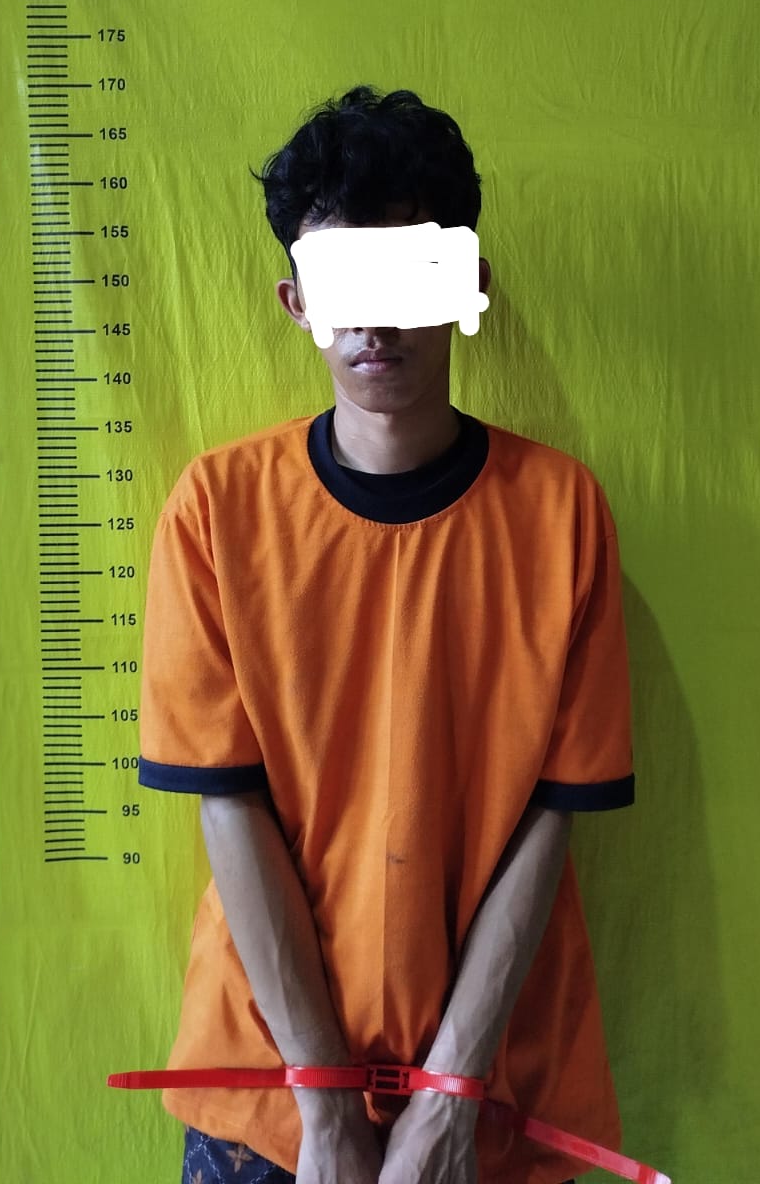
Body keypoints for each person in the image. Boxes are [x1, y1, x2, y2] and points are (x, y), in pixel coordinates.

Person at [138, 86, 635, 1184]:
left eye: (407, 277)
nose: (374, 324)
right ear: (296, 303)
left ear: (467, 286)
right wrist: (324, 1105)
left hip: (495, 1101)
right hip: (266, 1100)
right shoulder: (216, 511)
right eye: (342, 285)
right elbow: (229, 803)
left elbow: (554, 815)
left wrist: (451, 1095)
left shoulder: (562, 515)